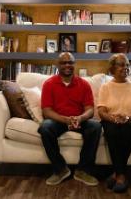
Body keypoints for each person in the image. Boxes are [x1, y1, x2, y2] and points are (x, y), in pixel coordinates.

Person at [38, 52, 102, 186]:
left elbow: (90, 109)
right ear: (58, 65)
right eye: (63, 62)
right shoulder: (49, 84)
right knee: (45, 127)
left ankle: (83, 171)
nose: (67, 65)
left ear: (74, 64)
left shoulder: (84, 84)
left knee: (95, 127)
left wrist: (80, 118)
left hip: (80, 120)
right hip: (58, 121)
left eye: (70, 62)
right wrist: (65, 120)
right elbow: (47, 111)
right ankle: (60, 170)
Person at [97, 53, 131, 193]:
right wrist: (113, 118)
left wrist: (128, 118)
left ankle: (118, 175)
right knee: (112, 131)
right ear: (112, 68)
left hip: (130, 121)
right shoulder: (105, 87)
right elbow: (101, 111)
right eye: (121, 65)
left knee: (126, 130)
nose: (125, 68)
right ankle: (121, 174)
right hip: (111, 121)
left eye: (127, 65)